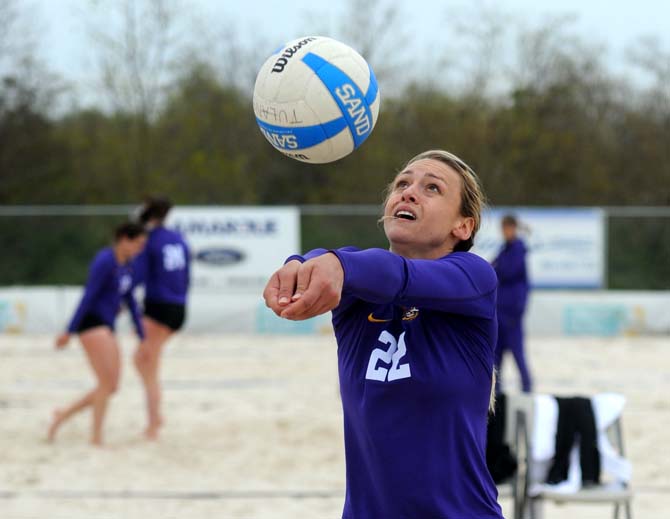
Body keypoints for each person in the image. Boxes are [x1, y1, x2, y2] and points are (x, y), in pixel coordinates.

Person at [263, 150, 504, 519]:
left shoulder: (474, 278)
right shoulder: (357, 296)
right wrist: (297, 265)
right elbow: (336, 259)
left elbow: (393, 273)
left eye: (432, 188)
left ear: (463, 227)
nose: (408, 192)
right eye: (402, 184)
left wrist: (336, 265)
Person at [48, 222, 147, 446]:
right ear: (124, 239)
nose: (140, 249)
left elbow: (130, 300)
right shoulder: (105, 260)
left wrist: (142, 334)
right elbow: (89, 295)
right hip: (91, 323)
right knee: (105, 383)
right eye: (138, 243)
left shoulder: (128, 265)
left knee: (112, 386)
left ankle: (62, 416)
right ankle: (96, 437)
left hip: (107, 324)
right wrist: (69, 330)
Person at [133, 196, 190, 440]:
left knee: (147, 363)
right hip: (178, 306)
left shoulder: (149, 241)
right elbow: (186, 274)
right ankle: (155, 416)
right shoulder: (178, 238)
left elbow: (138, 275)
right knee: (145, 361)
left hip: (158, 306)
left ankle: (154, 422)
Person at [491, 214, 532, 393]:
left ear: (514, 228)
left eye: (508, 228)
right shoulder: (504, 249)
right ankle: (497, 396)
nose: (505, 232)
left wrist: (495, 268)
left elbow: (508, 271)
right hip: (498, 313)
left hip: (512, 315)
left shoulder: (517, 250)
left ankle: (527, 390)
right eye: (503, 228)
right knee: (496, 359)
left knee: (518, 357)